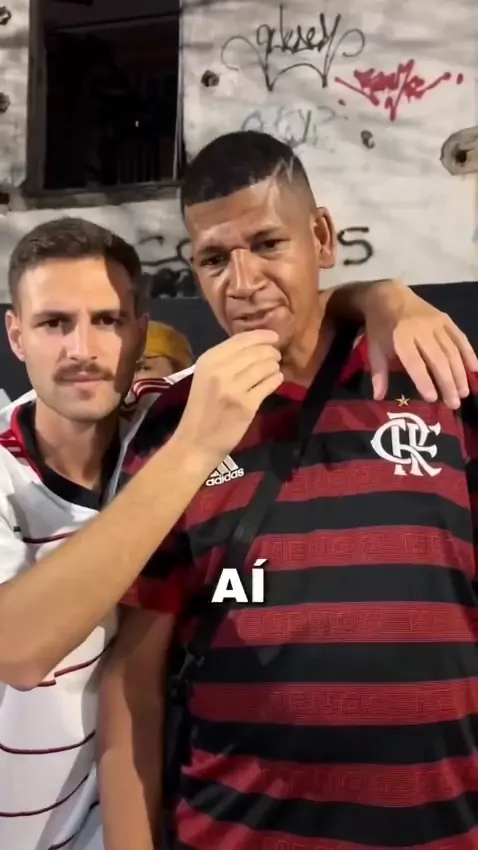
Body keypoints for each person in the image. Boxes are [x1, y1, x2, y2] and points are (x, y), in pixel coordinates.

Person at [0, 216, 473, 850]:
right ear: (16, 334)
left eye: (107, 320)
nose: (81, 349)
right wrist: (194, 448)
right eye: (54, 323)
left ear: (140, 328)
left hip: (104, 826)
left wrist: (386, 296)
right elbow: (19, 649)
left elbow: (290, 317)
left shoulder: (172, 412)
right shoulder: (178, 434)